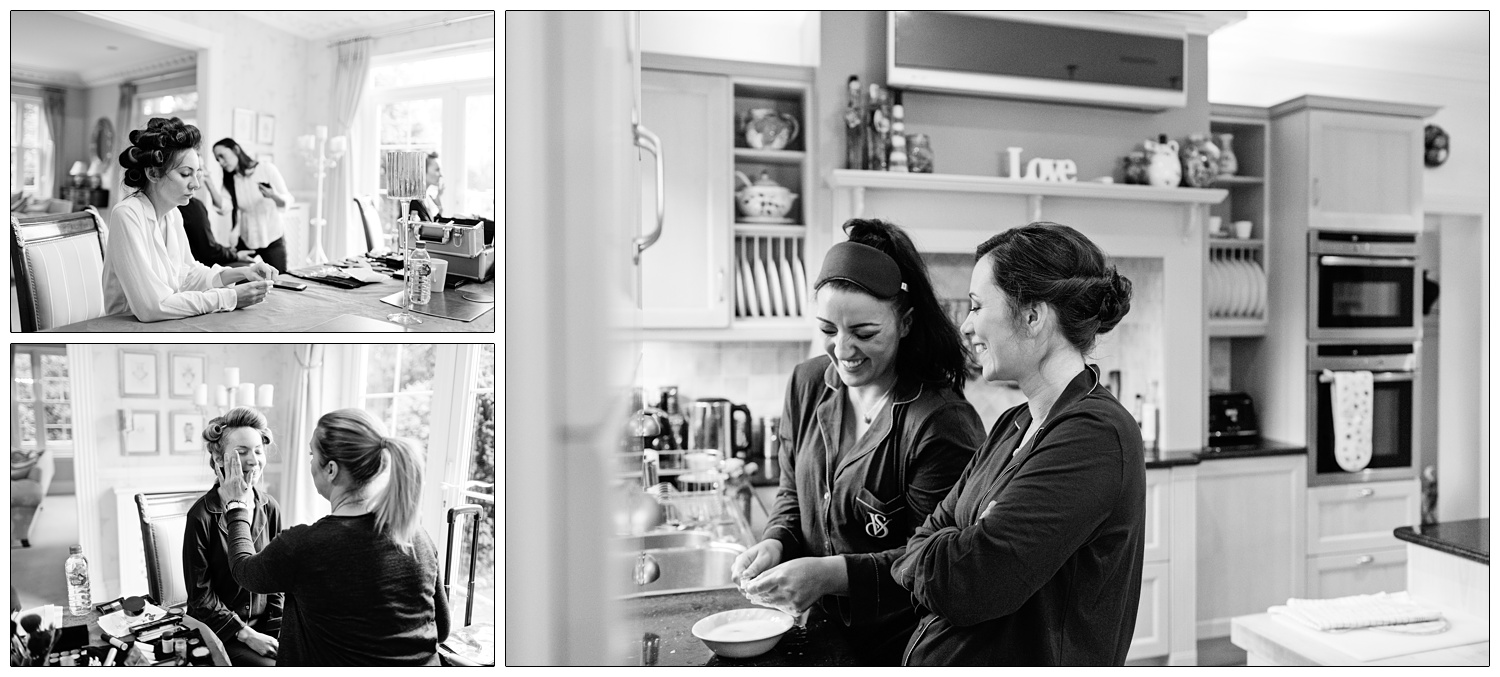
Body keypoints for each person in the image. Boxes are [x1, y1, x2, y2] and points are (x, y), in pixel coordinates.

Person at [730, 218, 984, 665]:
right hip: (817, 636)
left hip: (903, 648)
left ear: (905, 322)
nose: (842, 349)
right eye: (828, 330)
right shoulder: (807, 383)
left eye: (864, 334)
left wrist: (831, 576)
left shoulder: (940, 423)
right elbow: (793, 494)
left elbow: (941, 565)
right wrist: (775, 542)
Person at [891, 221, 1146, 666]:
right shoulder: (1016, 422)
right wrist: (956, 539)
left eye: (976, 306)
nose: (966, 325)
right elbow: (924, 539)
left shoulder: (1094, 436)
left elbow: (966, 586)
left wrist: (954, 542)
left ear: (1032, 317)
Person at [218, 409, 449, 665]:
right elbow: (442, 628)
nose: (309, 462)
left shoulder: (306, 546)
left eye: (311, 454)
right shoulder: (417, 535)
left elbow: (243, 570)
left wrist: (237, 505)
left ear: (330, 469)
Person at [102, 117, 277, 322]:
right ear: (153, 173)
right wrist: (231, 297)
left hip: (168, 322)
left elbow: (188, 276)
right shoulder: (126, 215)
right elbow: (151, 307)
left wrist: (243, 273)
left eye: (196, 174)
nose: (196, 184)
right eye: (185, 174)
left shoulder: (173, 214)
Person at [182, 407, 283, 666]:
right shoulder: (201, 516)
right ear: (218, 460)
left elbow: (278, 579)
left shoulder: (270, 508)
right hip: (220, 631)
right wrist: (247, 634)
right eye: (241, 453)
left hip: (264, 626)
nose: (253, 460)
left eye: (258, 451)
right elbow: (200, 598)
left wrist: (275, 628)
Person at [213, 137, 293, 273]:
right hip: (247, 239)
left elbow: (287, 200)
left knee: (280, 282)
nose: (220, 162)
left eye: (222, 156)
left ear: (236, 150)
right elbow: (224, 207)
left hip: (272, 237)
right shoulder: (230, 180)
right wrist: (209, 183)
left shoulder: (266, 169)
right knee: (235, 277)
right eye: (217, 159)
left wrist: (272, 195)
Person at [181, 149, 254, 266]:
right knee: (247, 266)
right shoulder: (193, 206)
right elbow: (209, 250)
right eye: (201, 169)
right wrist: (235, 255)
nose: (205, 172)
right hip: (202, 265)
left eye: (200, 168)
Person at [408, 152, 443, 221]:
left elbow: (431, 225)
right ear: (423, 171)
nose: (441, 175)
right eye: (437, 170)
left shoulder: (424, 198)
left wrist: (439, 205)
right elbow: (427, 230)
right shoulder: (414, 201)